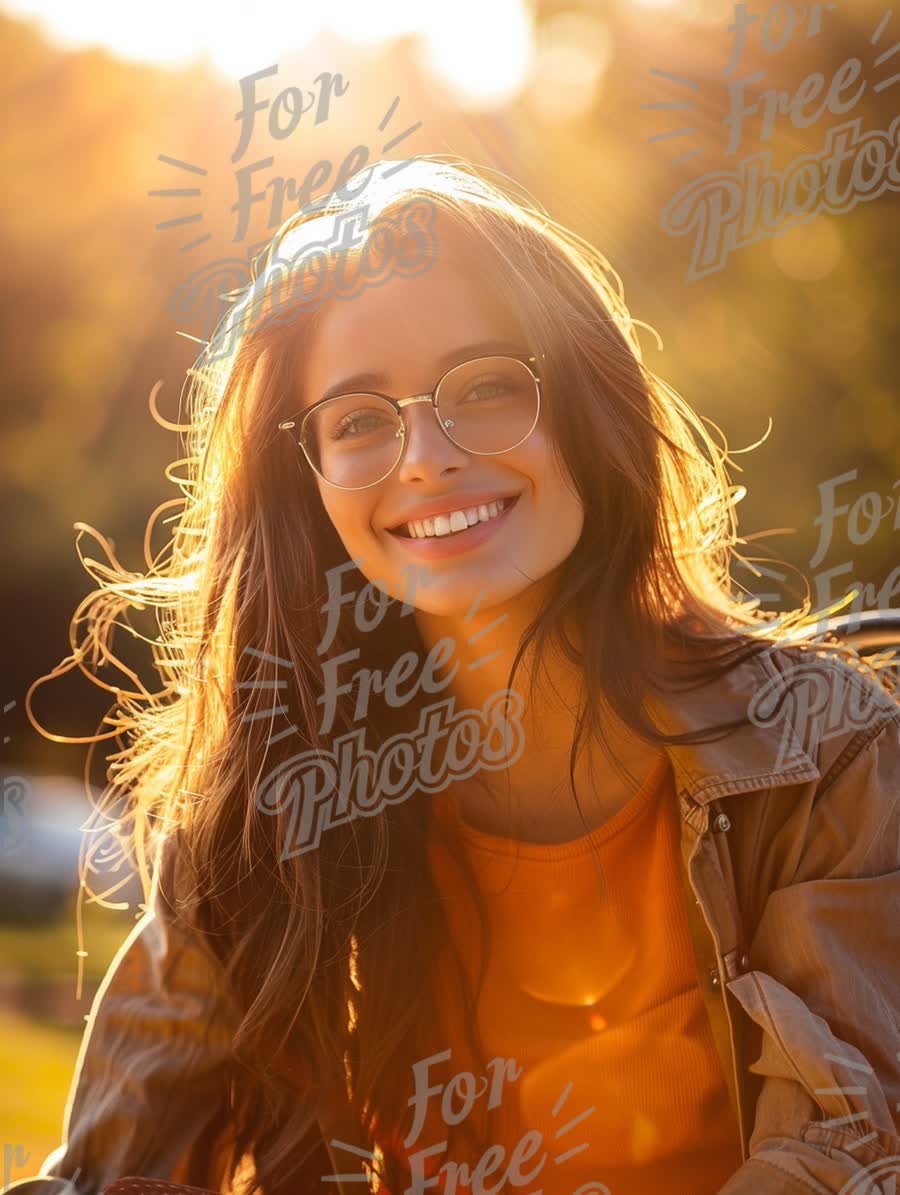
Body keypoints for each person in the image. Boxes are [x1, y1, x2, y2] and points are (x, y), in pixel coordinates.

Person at [14, 157, 900, 1195]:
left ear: (585, 402)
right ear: (307, 490)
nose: (425, 456)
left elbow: (852, 1148)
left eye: (484, 387)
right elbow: (110, 1175)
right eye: (356, 419)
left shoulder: (828, 746)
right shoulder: (268, 806)